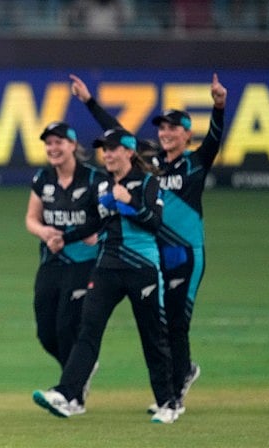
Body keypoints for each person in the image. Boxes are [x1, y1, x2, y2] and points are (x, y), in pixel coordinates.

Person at [69, 73, 227, 415]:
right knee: (159, 321)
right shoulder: (151, 163)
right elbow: (119, 135)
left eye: (173, 128)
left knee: (176, 321)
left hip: (185, 252)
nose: (166, 133)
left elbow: (215, 138)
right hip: (153, 251)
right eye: (162, 128)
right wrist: (89, 102)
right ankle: (176, 382)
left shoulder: (196, 163)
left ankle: (179, 385)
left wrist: (218, 106)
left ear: (187, 134)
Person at [33, 128, 179, 423]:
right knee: (88, 330)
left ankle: (168, 402)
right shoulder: (102, 186)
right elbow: (92, 224)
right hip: (107, 268)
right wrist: (66, 237)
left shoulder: (147, 182)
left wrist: (128, 202)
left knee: (152, 336)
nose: (107, 155)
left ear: (128, 152)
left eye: (113, 149)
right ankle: (67, 393)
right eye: (104, 150)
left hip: (141, 268)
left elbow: (155, 223)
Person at [25, 122, 104, 378]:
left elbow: (106, 218)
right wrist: (44, 232)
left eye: (58, 142)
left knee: (66, 326)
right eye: (48, 143)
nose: (53, 148)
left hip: (84, 262)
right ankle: (79, 372)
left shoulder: (94, 179)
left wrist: (97, 234)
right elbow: (31, 219)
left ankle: (72, 386)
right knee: (46, 333)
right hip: (52, 260)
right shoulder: (43, 178)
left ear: (72, 145)